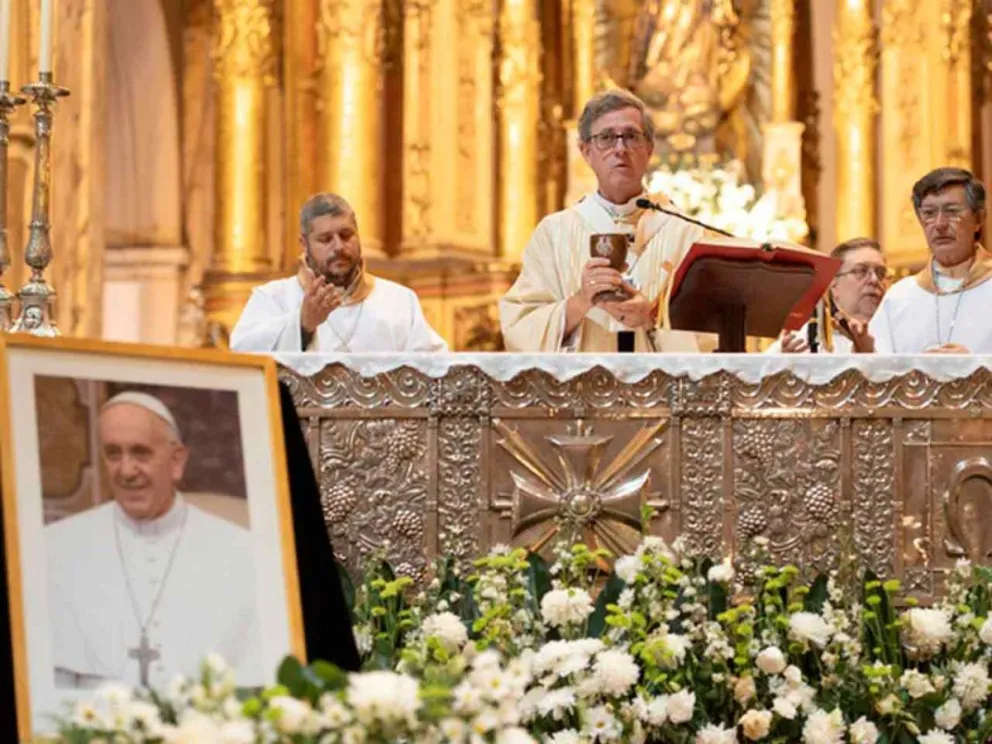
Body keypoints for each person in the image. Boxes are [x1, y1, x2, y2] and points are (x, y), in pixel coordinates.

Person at [46, 392, 263, 690]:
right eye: (113, 453)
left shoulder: (243, 553)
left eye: (140, 452)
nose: (126, 470)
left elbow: (253, 680)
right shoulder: (57, 548)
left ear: (176, 461)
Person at [499, 89, 706, 352]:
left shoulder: (686, 234)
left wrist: (653, 318)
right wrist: (581, 300)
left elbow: (712, 338)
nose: (620, 149)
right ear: (586, 152)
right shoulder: (554, 233)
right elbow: (519, 330)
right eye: (606, 138)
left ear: (649, 149)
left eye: (631, 137)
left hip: (659, 390)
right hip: (579, 390)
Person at [231, 193, 447, 352]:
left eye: (346, 235)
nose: (339, 247)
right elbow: (244, 355)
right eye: (325, 239)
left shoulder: (400, 301)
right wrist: (301, 325)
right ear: (304, 244)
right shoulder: (273, 298)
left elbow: (434, 367)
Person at [870, 167, 992, 354]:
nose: (939, 224)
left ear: (978, 219)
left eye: (952, 211)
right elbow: (876, 373)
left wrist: (974, 367)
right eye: (929, 213)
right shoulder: (899, 298)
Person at [767, 237, 886, 353]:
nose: (874, 280)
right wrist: (785, 365)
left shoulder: (896, 334)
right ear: (833, 283)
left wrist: (868, 353)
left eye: (881, 273)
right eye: (861, 271)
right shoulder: (802, 341)